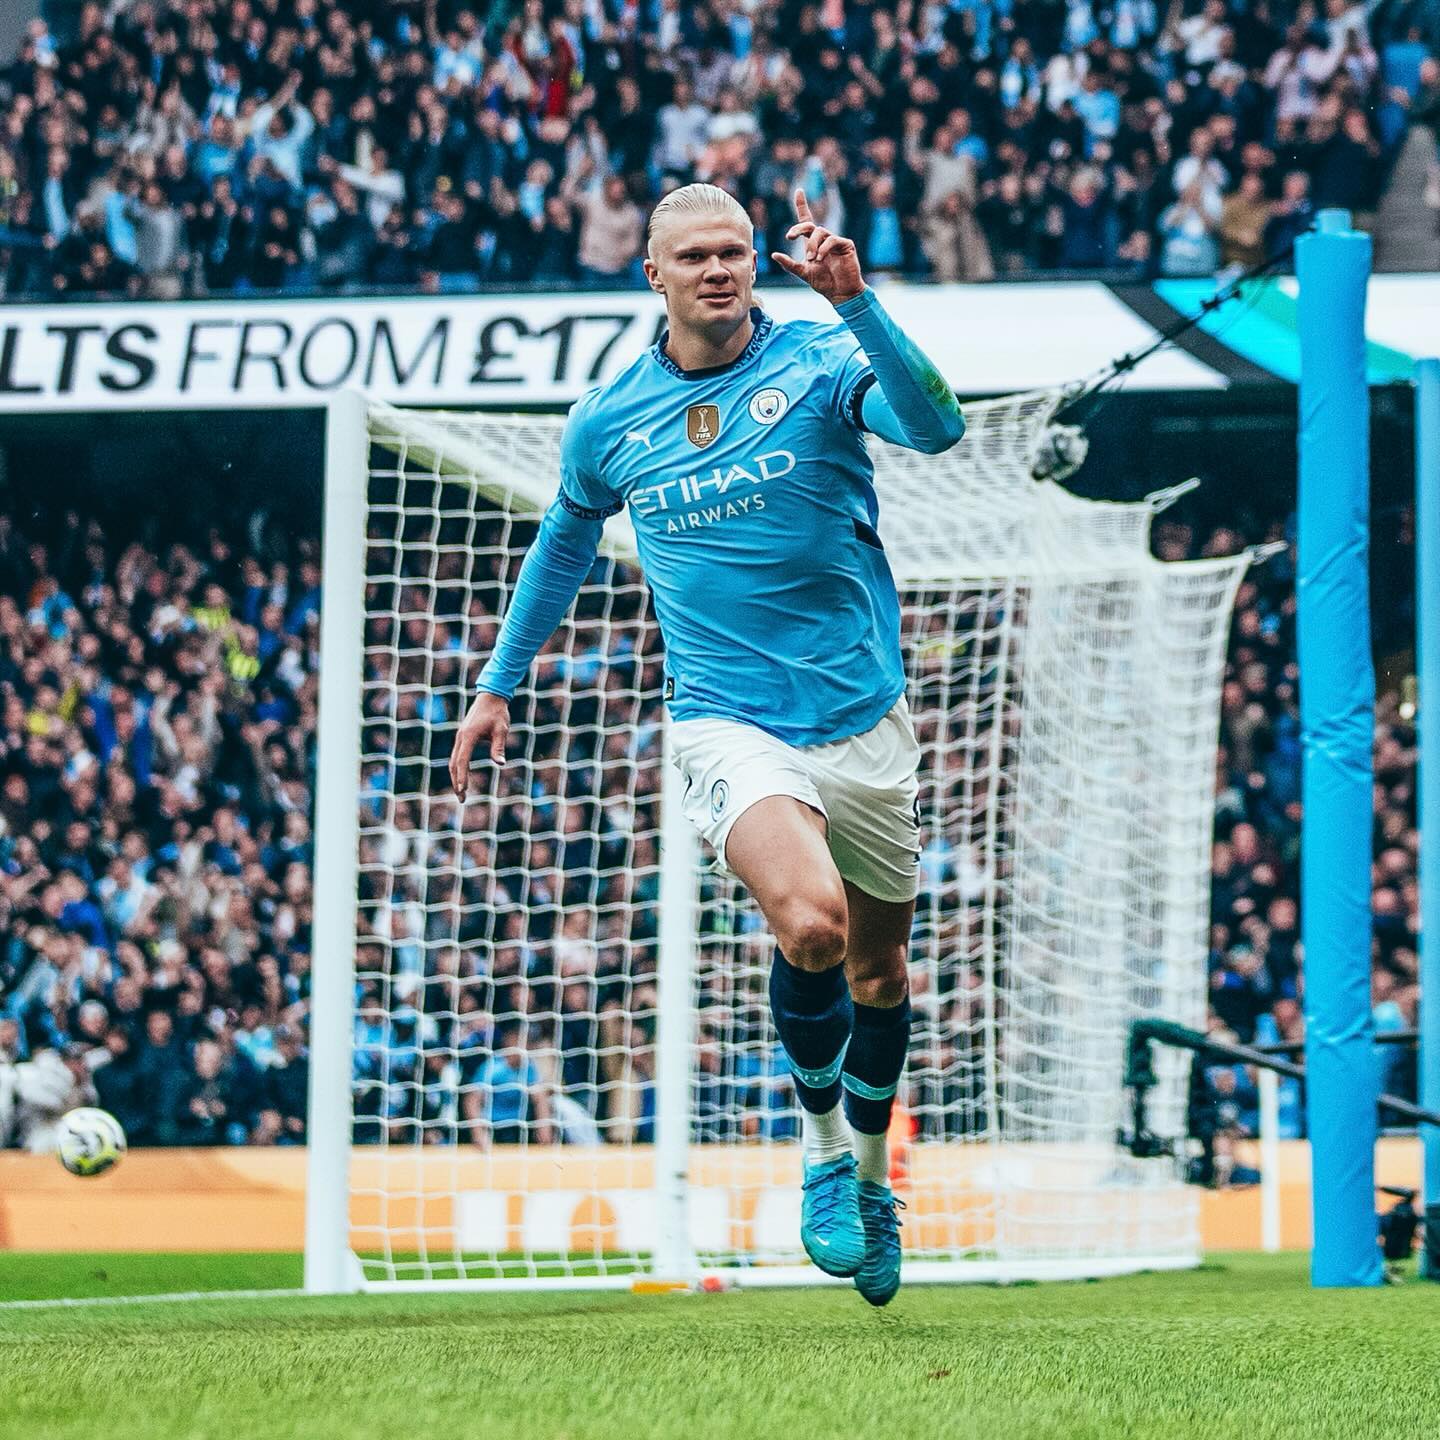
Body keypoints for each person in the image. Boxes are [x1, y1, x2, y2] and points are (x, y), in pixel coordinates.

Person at [450, 183, 966, 1306]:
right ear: (656, 275)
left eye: (734, 250)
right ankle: (822, 1156)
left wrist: (858, 302)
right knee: (813, 924)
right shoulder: (609, 419)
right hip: (727, 716)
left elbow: (939, 427)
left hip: (863, 713)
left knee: (881, 971)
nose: (719, 269)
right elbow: (563, 542)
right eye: (694, 256)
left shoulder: (820, 363)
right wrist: (498, 681)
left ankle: (872, 1181)